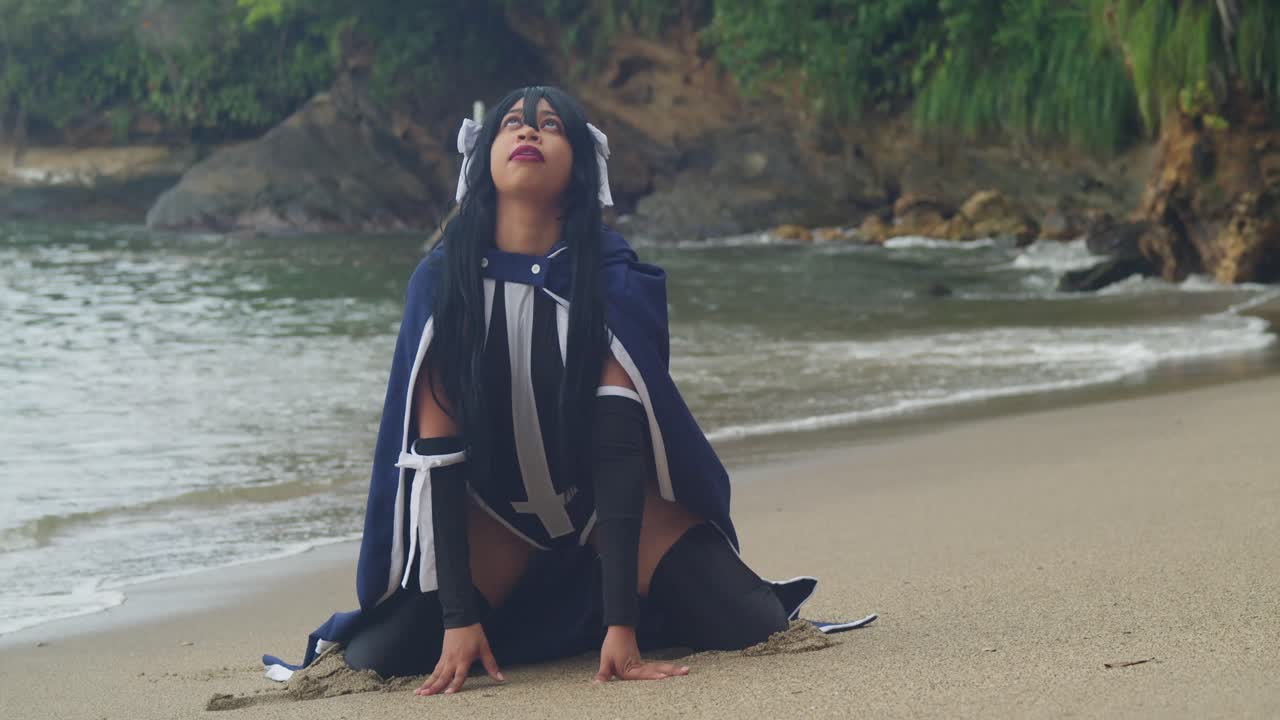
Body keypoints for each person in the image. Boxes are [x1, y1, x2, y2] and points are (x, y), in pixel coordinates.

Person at [262, 85, 863, 695]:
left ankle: (613, 608)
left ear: (579, 162)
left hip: (606, 505)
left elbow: (621, 448)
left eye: (549, 125)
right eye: (512, 126)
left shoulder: (609, 276)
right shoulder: (444, 280)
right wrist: (458, 618)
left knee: (753, 624)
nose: (528, 133)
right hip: (498, 519)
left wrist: (622, 627)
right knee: (378, 657)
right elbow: (436, 453)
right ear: (483, 158)